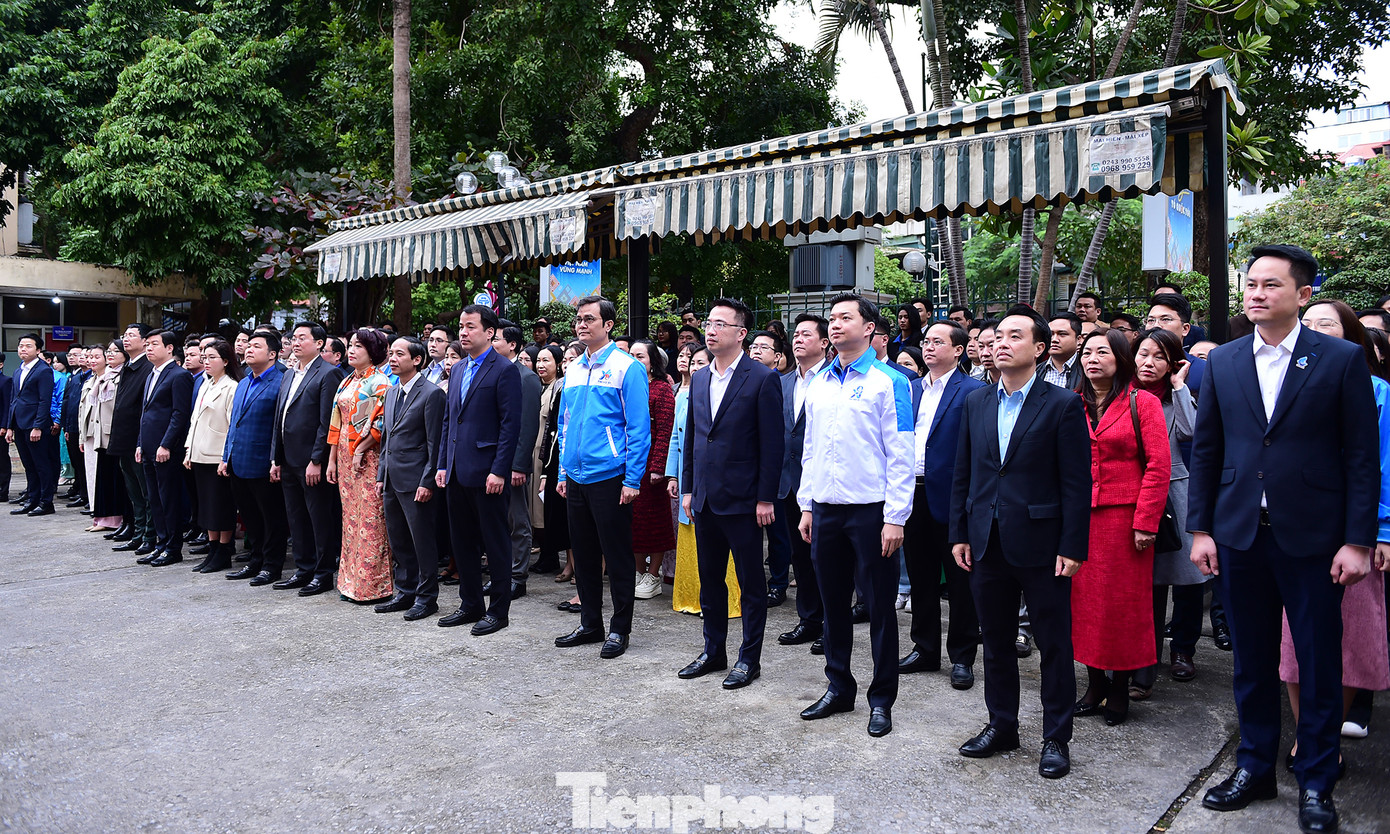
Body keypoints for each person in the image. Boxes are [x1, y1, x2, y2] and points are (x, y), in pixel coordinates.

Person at [1189, 245, 1378, 834]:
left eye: (1272, 284)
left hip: (1315, 538)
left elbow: (1359, 457)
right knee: (1250, 660)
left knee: (1319, 662)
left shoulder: (1340, 358)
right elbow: (1208, 451)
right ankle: (1254, 767)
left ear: (1302, 294)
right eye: (1250, 283)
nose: (1256, 293)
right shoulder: (1221, 362)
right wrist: (1200, 528)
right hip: (1241, 533)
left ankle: (1317, 778)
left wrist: (1358, 540)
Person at [951, 305, 1091, 779]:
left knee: (1053, 643)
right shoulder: (977, 402)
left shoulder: (1063, 404)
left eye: (1015, 336)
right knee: (994, 640)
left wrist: (1073, 547)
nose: (1001, 344)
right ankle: (1002, 724)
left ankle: (1056, 737)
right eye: (997, 337)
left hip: (1042, 543)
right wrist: (960, 533)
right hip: (986, 541)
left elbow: (1076, 484)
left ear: (1039, 348)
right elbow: (963, 474)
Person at [1278, 300, 1390, 772]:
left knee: (1352, 640)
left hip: (1354, 528)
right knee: (1292, 641)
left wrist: (1379, 531)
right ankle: (1308, 734)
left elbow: (1380, 467)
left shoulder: (1378, 390)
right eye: (1309, 325)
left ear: (1351, 337)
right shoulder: (1283, 381)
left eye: (1327, 324)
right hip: (1295, 529)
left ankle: (1328, 736)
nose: (1315, 331)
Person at [796, 294, 914, 738]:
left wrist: (896, 516)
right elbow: (811, 449)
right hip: (825, 509)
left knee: (881, 608)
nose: (836, 324)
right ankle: (838, 687)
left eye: (846, 317)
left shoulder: (890, 381)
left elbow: (902, 451)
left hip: (871, 512)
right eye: (832, 318)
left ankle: (881, 699)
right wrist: (807, 504)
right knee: (832, 605)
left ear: (869, 328)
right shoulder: (820, 380)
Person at [675, 299, 783, 690]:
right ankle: (713, 650)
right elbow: (692, 438)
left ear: (741, 333)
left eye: (720, 324)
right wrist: (688, 487)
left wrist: (765, 498)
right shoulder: (700, 378)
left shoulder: (761, 378)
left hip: (744, 500)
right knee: (710, 580)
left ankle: (748, 658)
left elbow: (772, 444)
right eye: (708, 322)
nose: (710, 329)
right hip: (704, 497)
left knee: (752, 583)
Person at [1070, 329, 1170, 726]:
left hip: (1125, 519)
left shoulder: (1141, 402)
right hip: (1080, 517)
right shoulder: (1070, 402)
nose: (1092, 358)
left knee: (1123, 607)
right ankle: (1094, 684)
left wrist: (1146, 522)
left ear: (1121, 358)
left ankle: (1119, 689)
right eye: (1087, 352)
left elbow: (1159, 466)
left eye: (1102, 352)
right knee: (1085, 605)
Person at [554, 295, 652, 659]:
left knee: (617, 555)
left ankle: (620, 629)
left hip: (610, 475)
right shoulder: (575, 367)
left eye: (589, 319)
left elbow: (639, 429)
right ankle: (590, 623)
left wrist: (632, 479)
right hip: (576, 476)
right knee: (583, 552)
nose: (581, 324)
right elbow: (564, 424)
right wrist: (563, 470)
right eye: (578, 319)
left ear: (608, 325)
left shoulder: (627, 368)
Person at [900, 322, 986, 688]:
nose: (929, 347)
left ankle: (963, 656)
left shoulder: (974, 391)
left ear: (958, 350)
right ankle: (924, 648)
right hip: (912, 493)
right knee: (920, 577)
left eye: (938, 342)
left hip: (953, 497)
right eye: (926, 342)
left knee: (960, 581)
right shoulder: (911, 389)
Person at [435, 306, 522, 635]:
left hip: (488, 473)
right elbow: (449, 421)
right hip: (457, 470)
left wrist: (499, 470)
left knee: (495, 542)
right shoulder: (457, 370)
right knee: (463, 542)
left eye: (470, 327)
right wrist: (443, 463)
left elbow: (509, 425)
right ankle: (470, 603)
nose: (463, 332)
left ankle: (498, 611)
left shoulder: (503, 370)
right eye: (460, 326)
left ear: (489, 332)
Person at [1130, 328, 1204, 699]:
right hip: (1132, 491)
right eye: (1144, 353)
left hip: (1175, 493)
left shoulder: (1176, 398)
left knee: (1180, 580)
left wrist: (1179, 386)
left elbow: (1192, 431)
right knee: (1146, 585)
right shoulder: (1122, 393)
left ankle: (1180, 651)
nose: (1149, 363)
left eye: (1160, 357)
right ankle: (1143, 662)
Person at [271, 322, 346, 595]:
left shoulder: (328, 374)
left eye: (303, 338)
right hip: (288, 458)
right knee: (296, 517)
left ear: (318, 343)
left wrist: (317, 459)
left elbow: (326, 422)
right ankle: (303, 569)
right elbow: (280, 418)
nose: (296, 342)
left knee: (319, 517)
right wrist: (275, 457)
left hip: (311, 460)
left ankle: (323, 572)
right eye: (294, 338)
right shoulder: (290, 374)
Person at [375, 336, 446, 621]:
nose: (392, 358)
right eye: (391, 353)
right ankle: (405, 591)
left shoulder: (432, 394)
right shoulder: (391, 392)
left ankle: (427, 597)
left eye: (399, 354)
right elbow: (386, 439)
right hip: (392, 477)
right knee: (399, 539)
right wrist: (382, 474)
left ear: (417, 360)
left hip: (416, 479)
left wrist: (427, 481)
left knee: (422, 540)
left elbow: (435, 444)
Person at [667, 344, 741, 615]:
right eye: (692, 362)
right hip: (694, 480)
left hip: (723, 483)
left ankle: (727, 600)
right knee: (692, 539)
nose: (694, 367)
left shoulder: (727, 389)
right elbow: (680, 439)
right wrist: (675, 476)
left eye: (700, 362)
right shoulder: (686, 393)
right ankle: (692, 597)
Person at [326, 329, 395, 604]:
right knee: (350, 520)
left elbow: (379, 425)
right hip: (344, 456)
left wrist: (361, 450)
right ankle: (350, 582)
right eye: (351, 345)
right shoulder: (345, 382)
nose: (352, 350)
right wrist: (331, 460)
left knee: (371, 519)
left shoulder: (381, 382)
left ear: (373, 352)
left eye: (359, 346)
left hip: (367, 458)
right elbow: (335, 423)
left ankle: (373, 586)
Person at [777, 314, 828, 652]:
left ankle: (831, 624)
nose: (797, 339)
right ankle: (809, 619)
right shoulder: (781, 382)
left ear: (824, 343)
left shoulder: (836, 379)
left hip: (823, 482)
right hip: (787, 483)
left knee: (826, 558)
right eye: (795, 334)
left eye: (806, 334)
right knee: (799, 555)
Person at [221, 331, 288, 585]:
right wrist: (226, 456)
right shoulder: (244, 382)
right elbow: (233, 424)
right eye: (248, 346)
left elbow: (278, 428)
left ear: (272, 354)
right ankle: (255, 560)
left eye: (256, 346)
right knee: (250, 517)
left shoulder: (281, 382)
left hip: (264, 463)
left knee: (272, 518)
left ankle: (272, 566)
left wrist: (276, 459)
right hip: (239, 460)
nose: (249, 349)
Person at [491, 321, 542, 601]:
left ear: (512, 344)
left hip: (512, 463)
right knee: (497, 520)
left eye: (496, 338)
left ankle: (517, 576)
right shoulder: (491, 372)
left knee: (517, 520)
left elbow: (527, 425)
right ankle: (501, 573)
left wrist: (519, 465)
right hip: (491, 460)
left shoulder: (526, 377)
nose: (492, 343)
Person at [133, 329, 193, 566]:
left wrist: (167, 444)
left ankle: (173, 547)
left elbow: (180, 414)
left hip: (166, 449)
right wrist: (139, 443)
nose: (148, 348)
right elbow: (145, 413)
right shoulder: (151, 375)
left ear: (169, 348)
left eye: (154, 344)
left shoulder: (179, 375)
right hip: (147, 447)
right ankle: (161, 543)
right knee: (154, 498)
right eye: (147, 344)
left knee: (169, 499)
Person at [184, 340, 240, 573]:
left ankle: (224, 550)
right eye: (204, 358)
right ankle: (212, 547)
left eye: (212, 357)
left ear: (225, 361)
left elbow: (232, 425)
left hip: (217, 455)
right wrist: (189, 449)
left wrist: (226, 457)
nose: (206, 362)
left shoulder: (231, 387)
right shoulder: (205, 384)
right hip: (199, 452)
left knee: (221, 506)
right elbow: (194, 420)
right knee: (206, 506)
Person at [748, 329, 794, 606]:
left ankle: (778, 584)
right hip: (746, 472)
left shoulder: (782, 382)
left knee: (778, 534)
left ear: (777, 357)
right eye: (753, 346)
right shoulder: (738, 382)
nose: (755, 351)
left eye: (763, 347)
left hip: (777, 472)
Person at [627, 339, 675, 599]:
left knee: (654, 523)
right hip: (628, 463)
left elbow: (665, 432)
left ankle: (653, 575)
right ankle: (637, 571)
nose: (635, 360)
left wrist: (658, 467)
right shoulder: (628, 387)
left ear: (652, 362)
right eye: (631, 355)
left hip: (650, 469)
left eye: (641, 356)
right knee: (633, 521)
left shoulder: (661, 389)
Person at [107, 324, 156, 553]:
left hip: (138, 440)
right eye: (124, 336)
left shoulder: (148, 368)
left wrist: (140, 440)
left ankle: (149, 535)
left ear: (145, 341)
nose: (125, 340)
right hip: (123, 438)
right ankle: (137, 532)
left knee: (146, 492)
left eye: (131, 336)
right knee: (133, 491)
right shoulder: (128, 366)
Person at [7, 333, 58, 516]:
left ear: (38, 350)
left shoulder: (43, 370)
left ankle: (46, 502)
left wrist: (38, 426)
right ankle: (32, 499)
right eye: (21, 345)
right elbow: (14, 399)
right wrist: (10, 426)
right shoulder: (18, 370)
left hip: (35, 425)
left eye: (28, 346)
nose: (23, 349)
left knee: (41, 464)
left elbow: (45, 401)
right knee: (29, 465)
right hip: (19, 424)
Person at [79, 343, 125, 533]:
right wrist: (82, 435)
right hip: (93, 433)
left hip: (109, 434)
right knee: (96, 476)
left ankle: (113, 519)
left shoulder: (120, 377)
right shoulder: (93, 379)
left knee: (111, 478)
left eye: (98, 356)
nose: (92, 360)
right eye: (109, 351)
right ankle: (99, 515)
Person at [531, 344, 568, 574]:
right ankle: (545, 553)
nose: (541, 365)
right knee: (535, 507)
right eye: (539, 361)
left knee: (543, 507)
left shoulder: (559, 388)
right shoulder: (539, 387)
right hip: (533, 452)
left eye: (546, 361)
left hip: (547, 454)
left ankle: (550, 554)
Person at [60, 348, 91, 508]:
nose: (83, 358)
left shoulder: (92, 377)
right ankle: (81, 492)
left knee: (85, 465)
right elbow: (67, 402)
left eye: (86, 356)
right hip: (71, 426)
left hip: (84, 428)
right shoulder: (75, 377)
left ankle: (86, 495)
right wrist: (65, 426)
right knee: (77, 464)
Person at [1040, 312, 1083, 390]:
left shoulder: (1087, 370)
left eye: (1062, 334)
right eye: (1051, 334)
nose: (1054, 339)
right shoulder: (1035, 371)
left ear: (1078, 339)